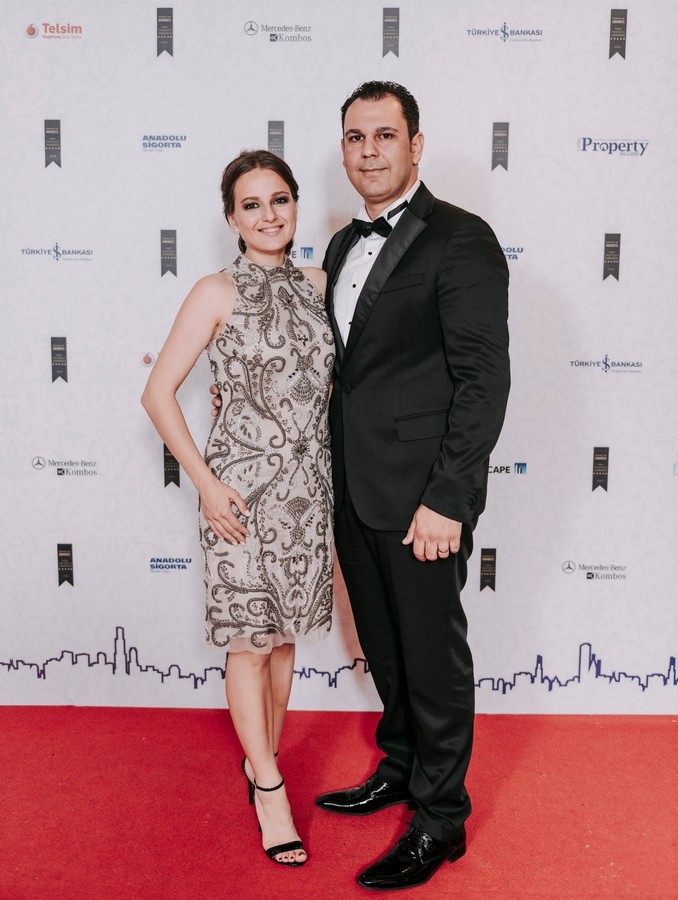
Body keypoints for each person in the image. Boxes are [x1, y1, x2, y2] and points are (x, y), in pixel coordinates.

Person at [312, 81, 511, 890]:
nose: (369, 151)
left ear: (416, 145)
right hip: (355, 487)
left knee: (432, 660)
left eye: (385, 135)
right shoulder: (339, 246)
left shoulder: (461, 239)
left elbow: (483, 382)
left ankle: (440, 819)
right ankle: (400, 766)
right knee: (387, 650)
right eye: (355, 137)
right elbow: (351, 371)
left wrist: (447, 499)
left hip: (424, 497)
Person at [142, 150, 335, 867]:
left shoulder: (319, 286)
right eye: (251, 204)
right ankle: (271, 791)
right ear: (231, 218)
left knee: (282, 641)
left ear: (295, 205)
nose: (268, 214)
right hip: (239, 498)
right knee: (249, 642)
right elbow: (158, 393)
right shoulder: (214, 292)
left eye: (279, 199)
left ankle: (261, 762)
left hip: (307, 495)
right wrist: (206, 483)